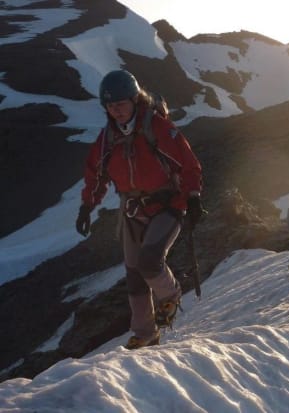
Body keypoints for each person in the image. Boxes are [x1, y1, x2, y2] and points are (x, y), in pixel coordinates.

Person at [75, 70, 203, 350]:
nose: (116, 111)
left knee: (150, 260)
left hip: (168, 205)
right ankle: (145, 334)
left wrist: (192, 196)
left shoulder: (157, 127)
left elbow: (188, 163)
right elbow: (96, 174)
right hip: (132, 210)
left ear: (134, 99)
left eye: (120, 104)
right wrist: (87, 205)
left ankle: (170, 294)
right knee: (134, 275)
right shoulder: (108, 137)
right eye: (110, 106)